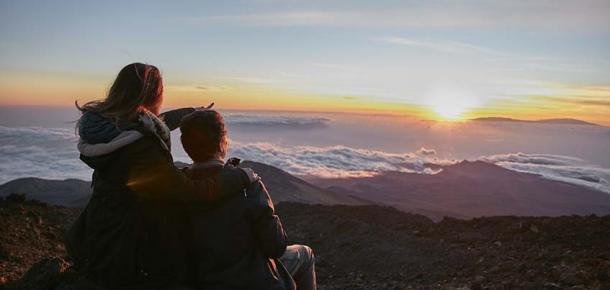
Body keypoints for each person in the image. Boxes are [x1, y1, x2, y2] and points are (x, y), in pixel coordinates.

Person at [65, 63, 256, 289]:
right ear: (152, 95)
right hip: (131, 256)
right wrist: (243, 177)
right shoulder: (141, 150)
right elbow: (190, 193)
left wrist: (190, 112)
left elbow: (145, 123)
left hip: (101, 237)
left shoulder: (106, 132)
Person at [179, 110, 317, 290]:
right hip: (252, 280)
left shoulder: (176, 188)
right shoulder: (247, 185)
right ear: (222, 142)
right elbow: (275, 247)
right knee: (305, 254)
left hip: (200, 280)